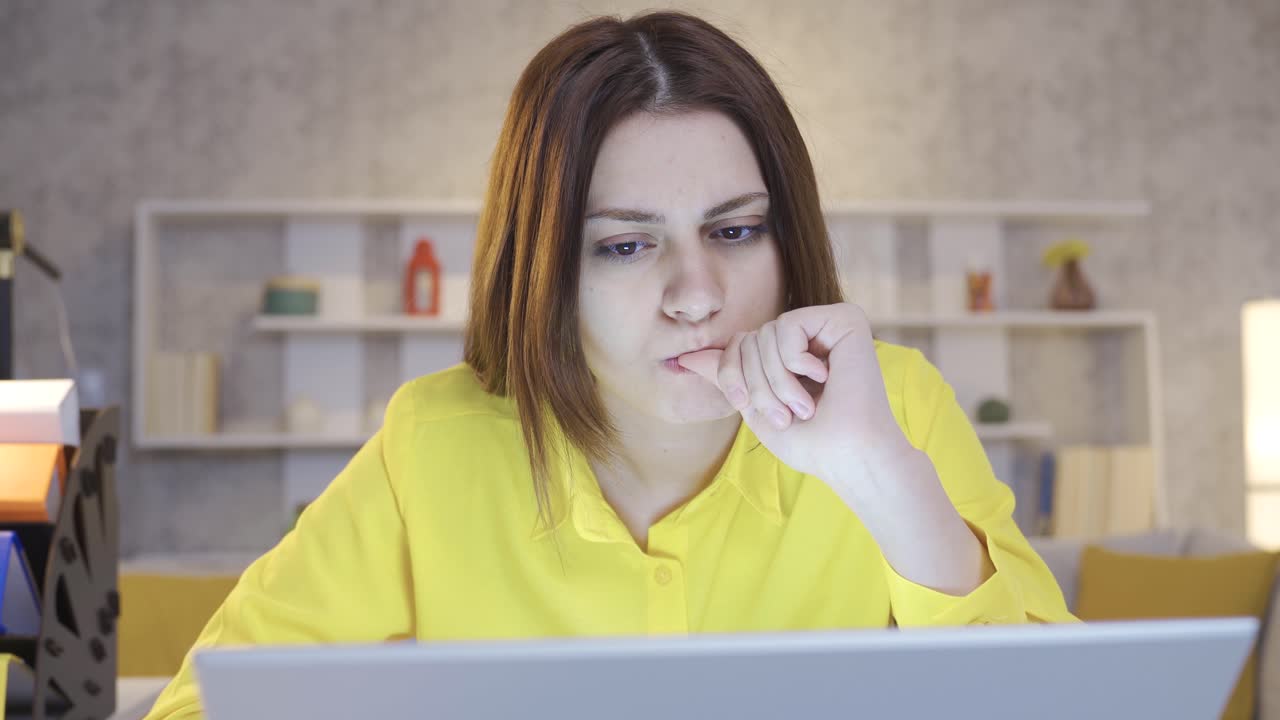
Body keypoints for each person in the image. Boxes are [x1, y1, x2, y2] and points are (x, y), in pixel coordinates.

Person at [144, 10, 1074, 718]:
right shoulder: (432, 446)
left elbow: (1063, 703)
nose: (697, 292)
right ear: (544, 271)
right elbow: (199, 708)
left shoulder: (894, 405)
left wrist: (881, 478)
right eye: (626, 246)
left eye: (737, 230)